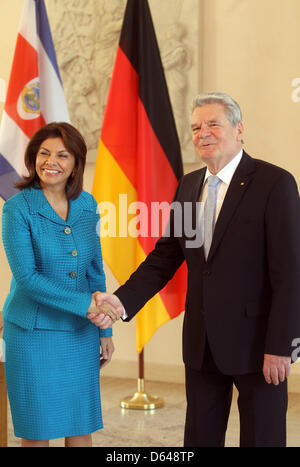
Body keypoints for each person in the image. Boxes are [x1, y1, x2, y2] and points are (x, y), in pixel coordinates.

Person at [90, 92, 300, 447]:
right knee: (199, 439)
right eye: (196, 127)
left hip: (259, 344)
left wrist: (282, 345)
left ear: (239, 129)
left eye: (213, 124)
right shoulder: (189, 185)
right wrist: (120, 302)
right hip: (202, 344)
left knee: (262, 438)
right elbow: (166, 257)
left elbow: (291, 272)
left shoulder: (274, 183)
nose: (203, 132)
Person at [2, 122, 114, 447]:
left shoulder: (87, 204)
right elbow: (27, 279)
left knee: (80, 426)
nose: (51, 161)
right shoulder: (17, 208)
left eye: (62, 155)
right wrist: (87, 307)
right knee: (38, 429)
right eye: (44, 153)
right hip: (32, 334)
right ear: (33, 158)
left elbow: (94, 268)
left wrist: (104, 329)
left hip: (81, 332)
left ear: (76, 163)